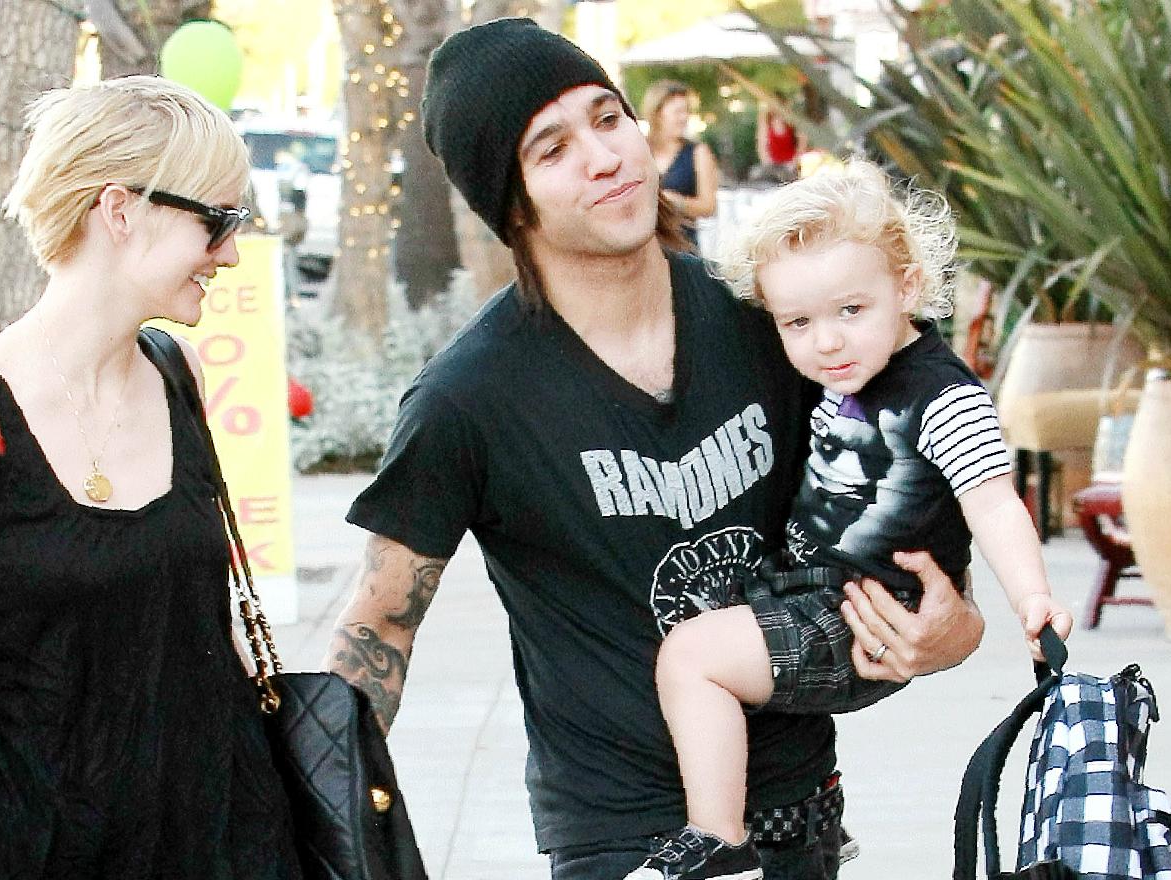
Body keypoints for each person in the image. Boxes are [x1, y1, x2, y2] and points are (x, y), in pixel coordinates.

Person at [324, 18, 984, 880]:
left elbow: (906, 490)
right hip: (623, 837)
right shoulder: (470, 399)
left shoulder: (768, 321)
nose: (606, 156)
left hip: (798, 810)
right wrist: (308, 817)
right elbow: (379, 627)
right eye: (552, 147)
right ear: (510, 201)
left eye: (608, 117)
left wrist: (951, 626)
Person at [0, 76, 300, 879]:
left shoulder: (176, 373)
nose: (230, 253)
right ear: (120, 211)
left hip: (228, 839)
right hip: (51, 848)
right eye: (216, 222)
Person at [624, 161, 1076, 880]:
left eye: (850, 312)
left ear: (907, 286)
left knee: (691, 656)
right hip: (808, 591)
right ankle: (813, 818)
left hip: (863, 616)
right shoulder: (842, 376)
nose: (826, 342)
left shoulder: (943, 398)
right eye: (798, 323)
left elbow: (992, 500)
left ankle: (719, 840)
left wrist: (1032, 598)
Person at [642, 79, 718, 250]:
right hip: (646, 249)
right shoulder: (640, 149)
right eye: (678, 112)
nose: (684, 118)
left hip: (683, 247)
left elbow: (709, 206)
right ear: (658, 114)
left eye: (687, 111)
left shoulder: (698, 152)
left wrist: (674, 201)